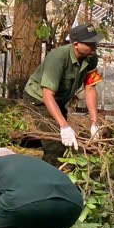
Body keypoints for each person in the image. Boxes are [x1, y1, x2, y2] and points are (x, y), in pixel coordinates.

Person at [24, 24, 102, 166]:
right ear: (76, 44)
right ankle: (47, 176)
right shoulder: (58, 57)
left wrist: (94, 122)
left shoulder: (91, 58)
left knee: (64, 141)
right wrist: (64, 126)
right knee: (56, 144)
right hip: (38, 97)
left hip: (58, 99)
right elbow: (48, 95)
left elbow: (90, 88)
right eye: (90, 43)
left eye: (95, 42)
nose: (94, 46)